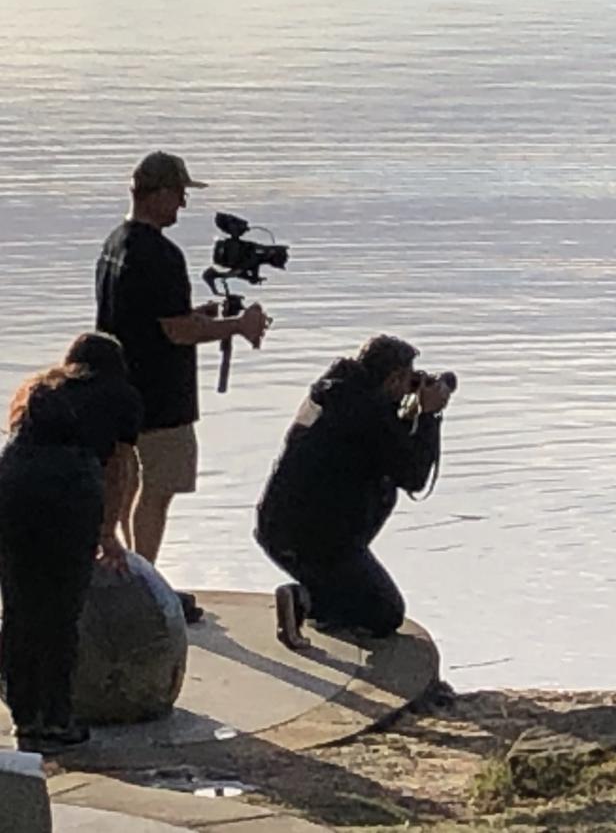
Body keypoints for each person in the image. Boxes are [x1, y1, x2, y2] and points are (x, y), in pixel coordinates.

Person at [94, 151, 270, 622]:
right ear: (160, 192)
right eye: (180, 194)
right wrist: (238, 324)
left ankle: (134, 576)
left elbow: (152, 318)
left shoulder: (115, 244)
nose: (183, 206)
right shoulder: (161, 254)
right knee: (158, 490)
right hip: (160, 400)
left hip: (120, 390)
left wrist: (206, 316)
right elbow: (176, 332)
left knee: (129, 485)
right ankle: (146, 590)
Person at [255, 335, 452, 649]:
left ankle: (317, 599)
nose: (410, 387)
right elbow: (413, 475)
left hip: (277, 528)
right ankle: (305, 601)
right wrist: (429, 416)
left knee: (355, 590)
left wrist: (408, 413)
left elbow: (378, 446)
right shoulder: (370, 415)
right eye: (407, 380)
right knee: (385, 614)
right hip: (320, 539)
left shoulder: (336, 394)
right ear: (393, 378)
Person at [0, 333, 141, 753]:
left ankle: (24, 717)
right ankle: (57, 719)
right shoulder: (122, 395)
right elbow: (119, 469)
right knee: (61, 611)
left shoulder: (40, 387)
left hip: (12, 483)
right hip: (70, 488)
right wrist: (109, 533)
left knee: (20, 606)